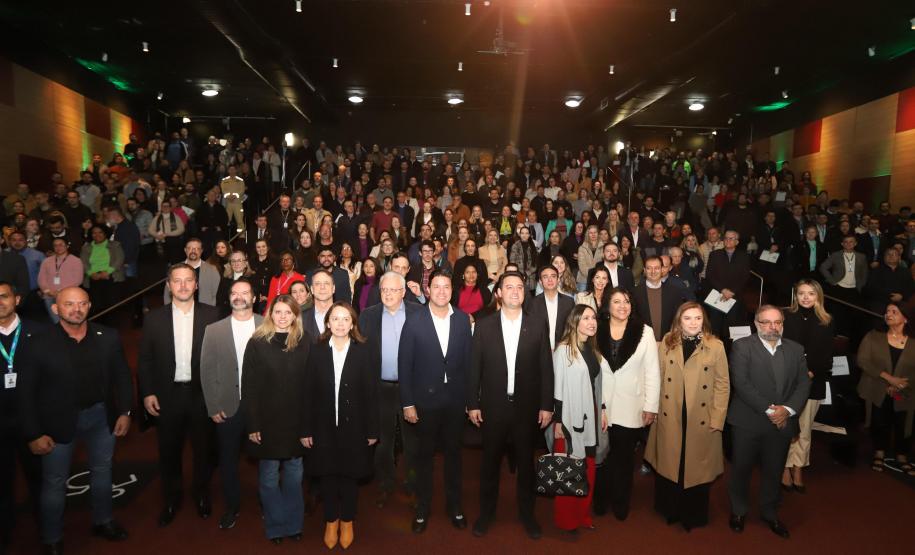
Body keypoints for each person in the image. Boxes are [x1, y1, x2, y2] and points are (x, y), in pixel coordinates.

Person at [19, 287, 132, 554]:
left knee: (103, 474)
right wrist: (33, 433)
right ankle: (52, 538)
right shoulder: (37, 343)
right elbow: (25, 394)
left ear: (90, 306)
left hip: (101, 418)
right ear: (56, 309)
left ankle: (103, 521)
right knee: (55, 483)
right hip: (56, 423)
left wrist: (125, 412)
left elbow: (123, 378)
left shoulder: (108, 337)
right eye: (69, 304)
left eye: (82, 304)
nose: (76, 309)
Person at [468, 271, 553, 540]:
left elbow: (546, 369)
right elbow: (474, 369)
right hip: (493, 407)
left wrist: (546, 405)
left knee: (527, 466)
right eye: (509, 287)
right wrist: (472, 404)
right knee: (489, 464)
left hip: (526, 409)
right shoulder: (483, 326)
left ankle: (528, 515)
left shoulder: (538, 324)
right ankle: (486, 514)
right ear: (499, 293)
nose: (515, 291)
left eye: (520, 287)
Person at [138, 264, 221, 527]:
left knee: (203, 450)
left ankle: (201, 493)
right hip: (167, 396)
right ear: (168, 285)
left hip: (201, 395)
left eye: (188, 281)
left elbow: (220, 358)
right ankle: (172, 498)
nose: (183, 285)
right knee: (169, 451)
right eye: (177, 281)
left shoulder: (212, 314)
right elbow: (145, 360)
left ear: (196, 285)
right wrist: (148, 392)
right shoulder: (154, 319)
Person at [727, 305, 811, 539]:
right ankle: (739, 510)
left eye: (777, 322)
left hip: (783, 422)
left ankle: (770, 512)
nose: (773, 327)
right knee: (741, 469)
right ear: (756, 324)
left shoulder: (796, 349)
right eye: (767, 322)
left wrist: (787, 409)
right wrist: (770, 409)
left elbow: (803, 384)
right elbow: (741, 383)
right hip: (748, 421)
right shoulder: (742, 347)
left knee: (774, 470)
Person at [399, 270, 473, 533]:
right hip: (424, 403)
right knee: (424, 458)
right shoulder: (415, 321)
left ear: (453, 290)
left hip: (455, 402)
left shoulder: (463, 321)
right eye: (437, 287)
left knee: (454, 457)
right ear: (428, 290)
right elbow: (404, 364)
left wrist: (470, 400)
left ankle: (455, 507)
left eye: (447, 287)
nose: (442, 292)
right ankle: (422, 508)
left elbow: (469, 364)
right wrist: (407, 403)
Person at [645, 302, 729, 531]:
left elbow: (723, 385)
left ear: (704, 321)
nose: (693, 323)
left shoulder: (716, 346)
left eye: (698, 318)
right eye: (688, 318)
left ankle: (693, 513)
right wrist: (651, 409)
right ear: (678, 320)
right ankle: (670, 509)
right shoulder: (666, 343)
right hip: (670, 413)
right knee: (672, 463)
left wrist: (717, 419)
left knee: (695, 468)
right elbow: (656, 379)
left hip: (700, 416)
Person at [302, 302, 379, 549]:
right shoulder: (316, 351)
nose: (340, 323)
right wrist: (305, 429)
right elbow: (307, 393)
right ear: (327, 323)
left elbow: (371, 393)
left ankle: (347, 520)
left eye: (346, 319)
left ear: (353, 323)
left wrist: (372, 429)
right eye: (335, 319)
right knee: (327, 475)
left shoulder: (364, 351)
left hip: (354, 427)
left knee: (349, 476)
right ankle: (330, 520)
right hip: (323, 426)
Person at [242, 295, 311, 544]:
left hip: (297, 423)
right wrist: (253, 424)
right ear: (270, 314)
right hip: (267, 424)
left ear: (295, 315)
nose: (283, 317)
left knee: (294, 477)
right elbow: (248, 387)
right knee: (269, 479)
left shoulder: (305, 342)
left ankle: (294, 524)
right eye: (278, 312)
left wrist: (309, 424)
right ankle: (275, 524)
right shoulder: (258, 342)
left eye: (288, 312)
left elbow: (311, 386)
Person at [200, 279, 263, 530]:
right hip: (226, 406)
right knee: (228, 461)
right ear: (229, 299)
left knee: (265, 461)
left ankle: (265, 504)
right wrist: (212, 405)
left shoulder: (266, 325)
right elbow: (206, 370)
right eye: (235, 293)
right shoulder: (213, 330)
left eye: (245, 293)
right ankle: (232, 507)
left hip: (260, 406)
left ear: (254, 297)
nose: (239, 297)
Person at [593, 288, 659, 520]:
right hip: (599, 406)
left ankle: (621, 503)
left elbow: (652, 371)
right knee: (600, 458)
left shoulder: (644, 332)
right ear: (607, 306)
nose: (623, 305)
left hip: (631, 406)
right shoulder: (595, 329)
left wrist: (651, 405)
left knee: (623, 459)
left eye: (627, 301)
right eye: (617, 301)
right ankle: (599, 500)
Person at [359, 271, 422, 508]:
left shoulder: (418, 313)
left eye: (393, 290)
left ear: (403, 292)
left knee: (412, 441)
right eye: (384, 289)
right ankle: (385, 484)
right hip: (380, 388)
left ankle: (413, 484)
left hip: (411, 389)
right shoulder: (367, 316)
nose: (387, 294)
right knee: (383, 442)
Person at [550, 304, 612, 534]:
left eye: (593, 317)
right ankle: (567, 520)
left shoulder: (591, 349)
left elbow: (597, 385)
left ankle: (583, 514)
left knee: (588, 469)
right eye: (585, 318)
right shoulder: (563, 350)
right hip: (568, 421)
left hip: (591, 418)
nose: (591, 322)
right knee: (568, 470)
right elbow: (556, 389)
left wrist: (602, 409)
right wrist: (557, 423)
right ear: (574, 321)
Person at [0, 282, 42, 552]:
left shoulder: (39, 333)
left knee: (39, 480)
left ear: (16, 299)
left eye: (3, 297)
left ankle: (47, 529)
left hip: (34, 422)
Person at [781, 280, 834, 492]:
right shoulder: (786, 316)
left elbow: (826, 354)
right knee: (787, 428)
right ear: (795, 295)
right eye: (801, 293)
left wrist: (810, 373)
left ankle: (798, 467)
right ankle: (784, 467)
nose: (805, 297)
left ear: (818, 296)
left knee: (804, 429)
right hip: (787, 382)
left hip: (814, 380)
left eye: (810, 293)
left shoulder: (827, 321)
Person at [857, 301, 915, 474]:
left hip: (905, 391)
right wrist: (889, 379)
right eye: (887, 311)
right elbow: (863, 360)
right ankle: (879, 453)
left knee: (903, 422)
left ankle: (902, 455)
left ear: (905, 318)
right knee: (879, 420)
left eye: (894, 312)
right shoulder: (874, 336)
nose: (888, 314)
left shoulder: (913, 342)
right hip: (877, 387)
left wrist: (901, 384)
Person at [633, 256, 695, 342]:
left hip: (667, 342)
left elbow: (677, 318)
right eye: (649, 268)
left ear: (662, 269)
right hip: (642, 342)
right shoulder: (634, 293)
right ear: (644, 270)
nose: (653, 271)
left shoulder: (674, 292)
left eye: (657, 268)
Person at [79, 224, 125, 317]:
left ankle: (112, 325)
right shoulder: (86, 247)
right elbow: (83, 262)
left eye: (100, 232)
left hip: (111, 276)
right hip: (93, 278)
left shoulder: (115, 245)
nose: (97, 235)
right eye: (94, 233)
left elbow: (119, 259)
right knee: (96, 306)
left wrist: (107, 271)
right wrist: (91, 273)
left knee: (112, 304)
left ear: (105, 233)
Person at [526, 264, 575, 350]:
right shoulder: (533, 304)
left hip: (564, 350)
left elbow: (573, 328)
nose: (550, 280)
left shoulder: (569, 302)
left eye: (553, 276)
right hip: (540, 351)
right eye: (545, 277)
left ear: (558, 279)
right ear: (540, 282)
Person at [37, 237, 84, 323]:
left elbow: (78, 280)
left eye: (61, 245)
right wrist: (48, 291)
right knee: (56, 321)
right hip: (49, 296)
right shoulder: (46, 261)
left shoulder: (76, 261)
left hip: (68, 297)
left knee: (68, 320)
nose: (58, 247)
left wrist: (61, 292)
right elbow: (41, 278)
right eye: (55, 245)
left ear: (67, 246)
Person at [164, 238, 221, 306]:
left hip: (205, 311)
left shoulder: (212, 270)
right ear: (185, 250)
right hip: (180, 311)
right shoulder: (174, 269)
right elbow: (167, 294)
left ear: (201, 251)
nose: (193, 251)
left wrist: (211, 311)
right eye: (190, 248)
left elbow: (217, 295)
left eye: (197, 248)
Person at [301, 269, 336, 340]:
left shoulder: (347, 316)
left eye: (326, 283)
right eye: (317, 284)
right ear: (312, 289)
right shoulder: (300, 318)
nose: (322, 287)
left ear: (333, 288)